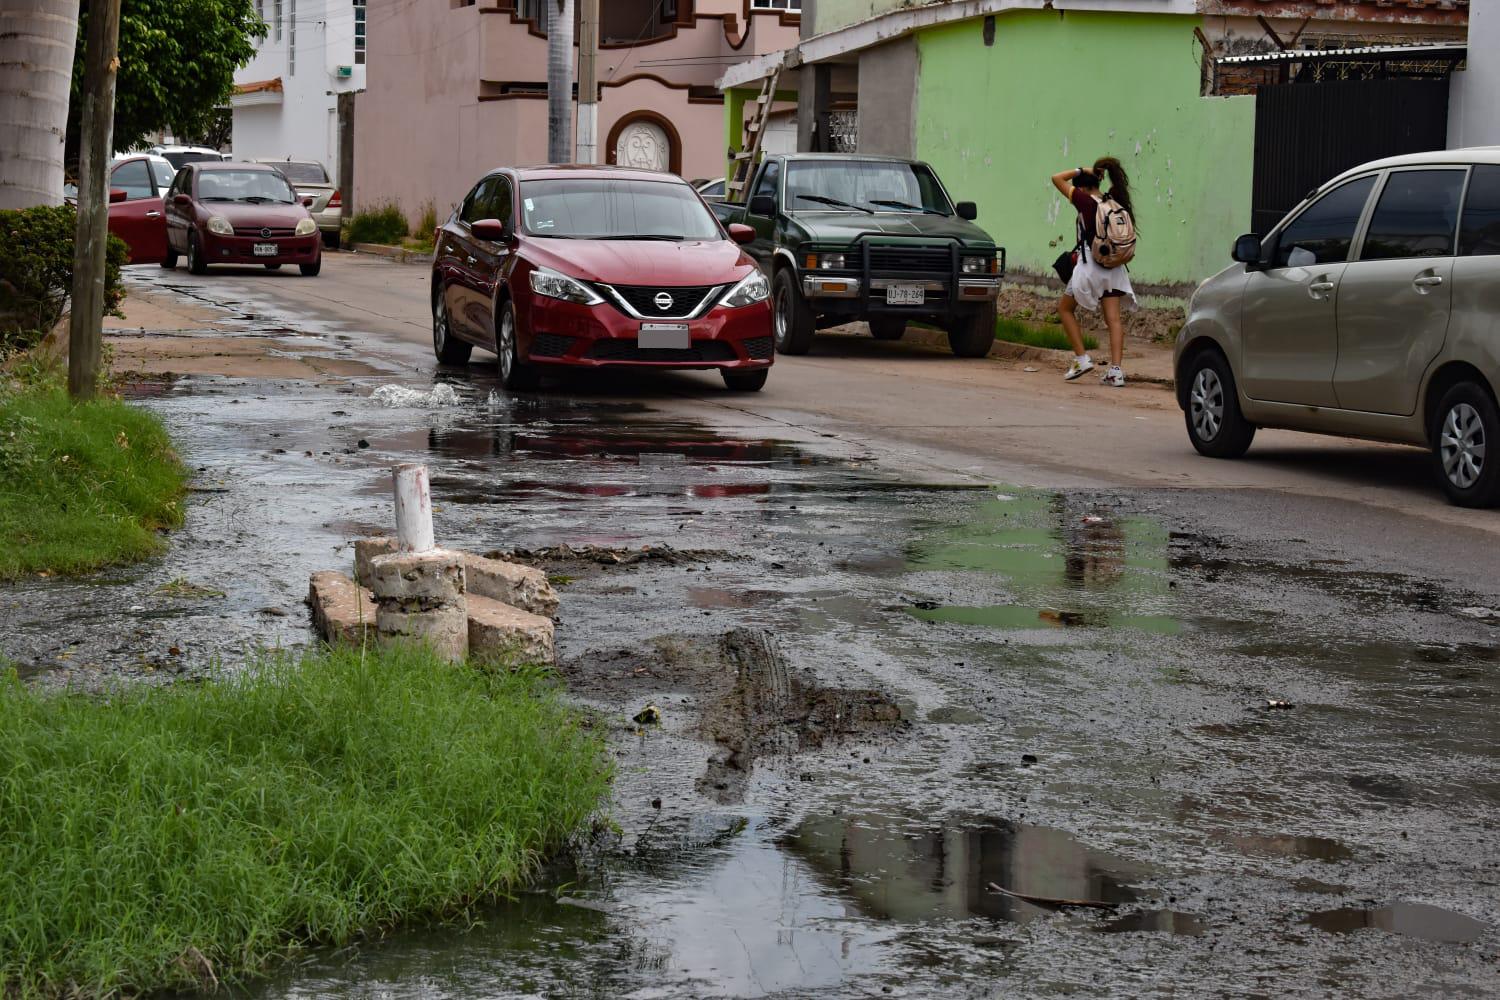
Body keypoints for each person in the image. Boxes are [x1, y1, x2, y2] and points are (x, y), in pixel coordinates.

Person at [1050, 158, 1136, 387]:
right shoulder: (1114, 200)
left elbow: (1056, 178)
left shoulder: (1085, 201)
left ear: (1081, 187)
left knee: (1065, 309)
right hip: (1114, 268)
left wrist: (1081, 170)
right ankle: (1116, 371)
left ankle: (1082, 358)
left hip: (1091, 267)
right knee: (1114, 319)